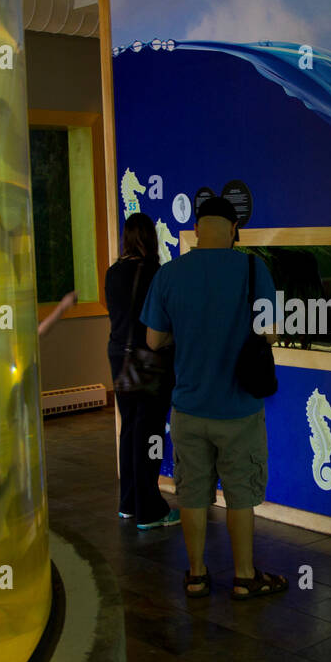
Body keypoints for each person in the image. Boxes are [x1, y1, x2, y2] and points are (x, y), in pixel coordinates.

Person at [141, 196, 287, 600]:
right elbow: (271, 333)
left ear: (197, 229)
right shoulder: (252, 269)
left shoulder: (169, 275)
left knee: (191, 494)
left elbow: (153, 340)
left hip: (188, 407)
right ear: (234, 229)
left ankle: (197, 575)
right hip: (238, 408)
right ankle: (243, 577)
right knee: (240, 494)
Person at [105, 213, 179, 529]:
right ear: (151, 238)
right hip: (149, 361)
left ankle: (128, 502)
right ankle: (150, 508)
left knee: (130, 429)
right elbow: (163, 323)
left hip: (118, 357)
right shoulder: (156, 273)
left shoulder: (112, 273)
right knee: (149, 432)